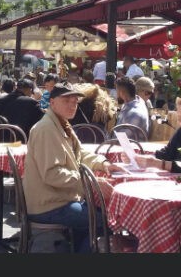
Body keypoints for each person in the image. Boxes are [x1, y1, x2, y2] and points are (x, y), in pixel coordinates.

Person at [23, 82, 123, 253]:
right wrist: (92, 182)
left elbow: (80, 153)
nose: (72, 105)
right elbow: (53, 174)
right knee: (106, 221)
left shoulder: (60, 123)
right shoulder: (46, 128)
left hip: (60, 200)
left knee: (97, 214)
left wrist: (103, 163)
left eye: (75, 101)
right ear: (52, 102)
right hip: (49, 205)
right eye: (66, 100)